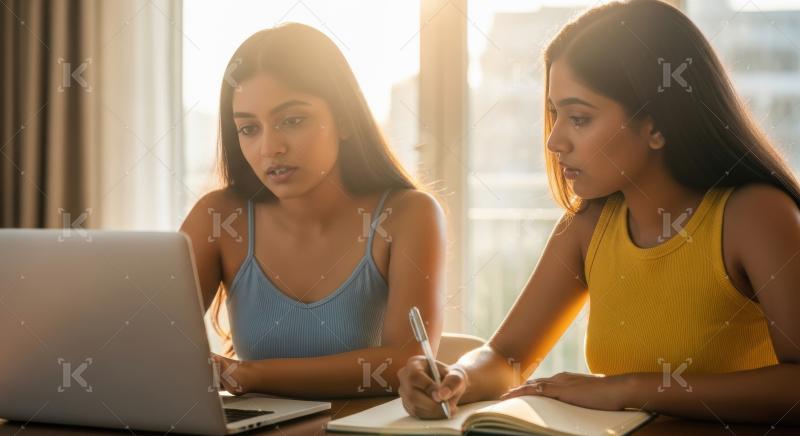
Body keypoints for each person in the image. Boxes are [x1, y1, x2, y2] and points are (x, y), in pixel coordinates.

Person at [398, 0, 800, 424]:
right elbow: (505, 356)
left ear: (657, 125)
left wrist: (626, 388)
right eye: (555, 115)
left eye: (579, 118)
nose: (554, 142)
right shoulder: (588, 226)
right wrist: (456, 376)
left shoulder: (755, 215)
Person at [180, 23, 446, 398]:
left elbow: (405, 361)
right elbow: (154, 340)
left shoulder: (408, 215)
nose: (270, 147)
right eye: (249, 129)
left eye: (292, 121)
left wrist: (252, 374)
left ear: (345, 121)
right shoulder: (220, 217)